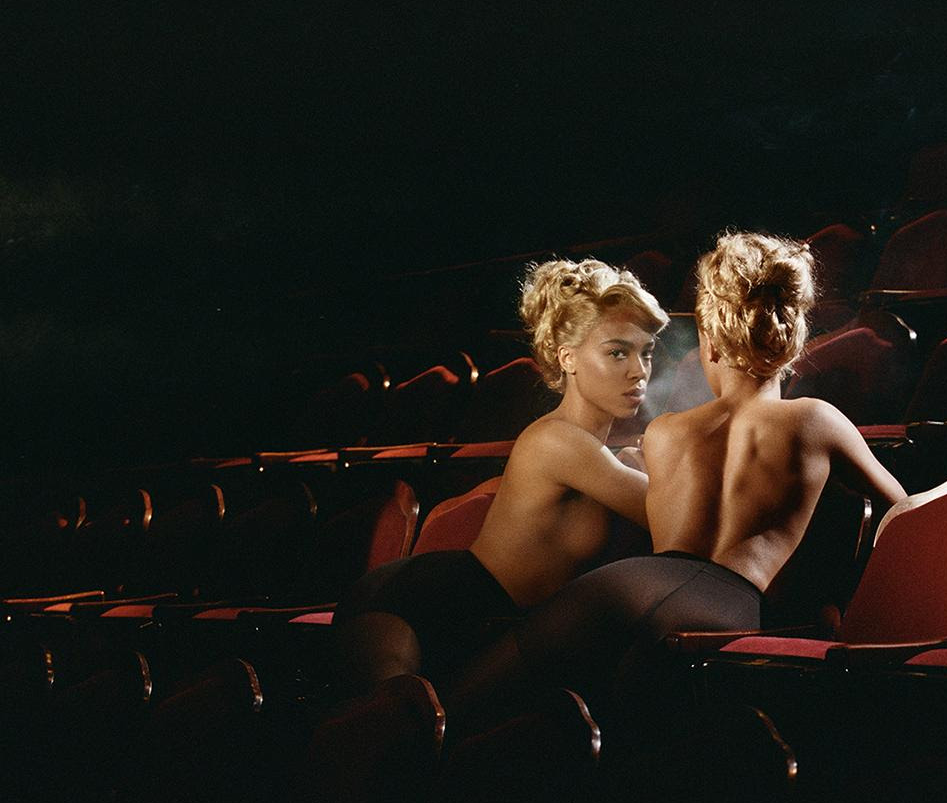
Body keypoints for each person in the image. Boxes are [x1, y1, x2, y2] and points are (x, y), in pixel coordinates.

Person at [444, 231, 907, 726]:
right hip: (727, 607)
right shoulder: (817, 421)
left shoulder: (665, 432)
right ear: (792, 339)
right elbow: (902, 511)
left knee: (469, 705)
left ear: (710, 343)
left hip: (625, 587)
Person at [332, 257, 669, 694]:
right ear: (568, 358)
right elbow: (677, 518)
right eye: (618, 352)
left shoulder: (604, 456)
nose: (639, 370)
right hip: (419, 601)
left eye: (646, 352)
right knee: (396, 721)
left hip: (491, 618)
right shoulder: (559, 441)